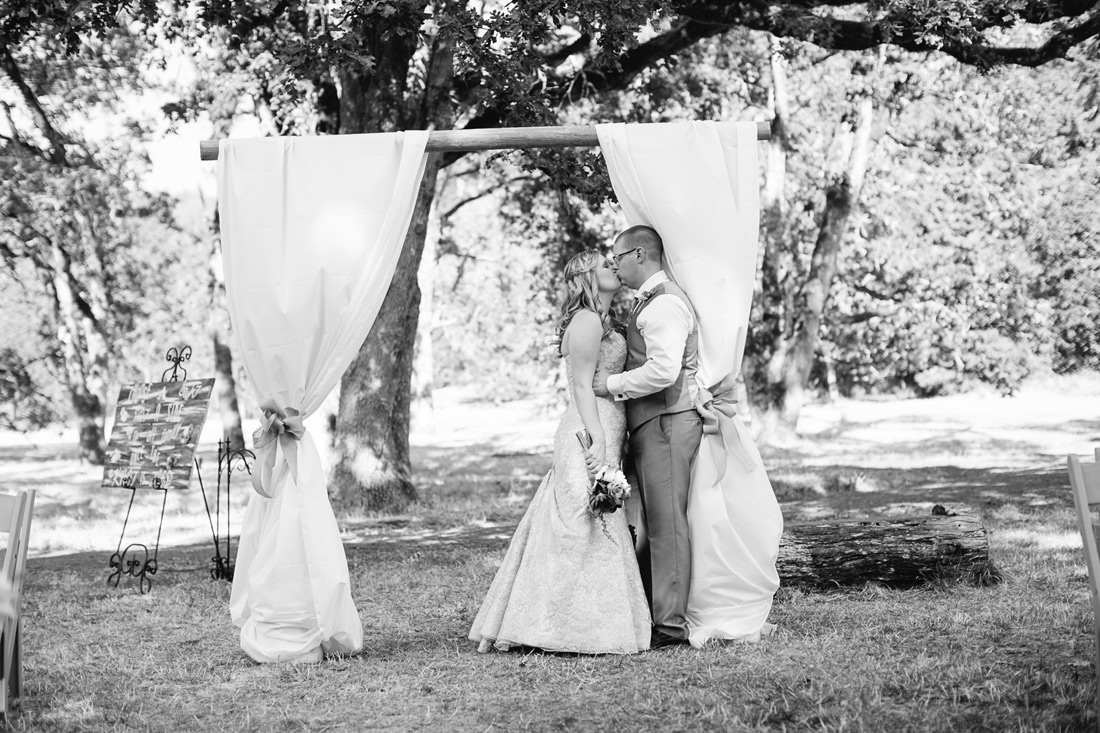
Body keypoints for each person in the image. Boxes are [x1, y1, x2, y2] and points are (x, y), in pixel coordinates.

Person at [468, 250, 651, 655]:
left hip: (605, 424)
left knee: (595, 516)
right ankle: (556, 624)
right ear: (587, 276)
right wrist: (598, 438)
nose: (614, 268)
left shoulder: (602, 320)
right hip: (588, 428)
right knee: (577, 518)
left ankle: (589, 621)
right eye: (606, 265)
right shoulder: (586, 320)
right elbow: (582, 386)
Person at [594, 225, 702, 650]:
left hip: (667, 423)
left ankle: (671, 627)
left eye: (617, 257)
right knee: (651, 525)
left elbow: (663, 370)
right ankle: (649, 613)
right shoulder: (651, 303)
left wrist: (611, 385)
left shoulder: (664, 305)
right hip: (652, 425)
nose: (615, 265)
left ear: (639, 254)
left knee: (667, 525)